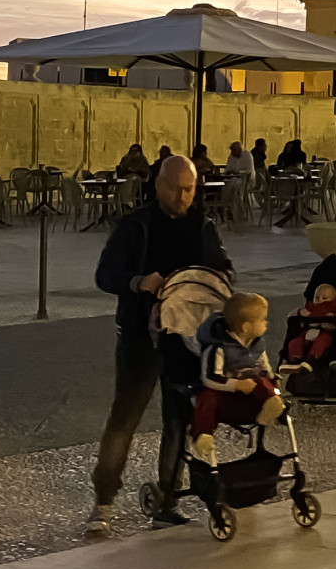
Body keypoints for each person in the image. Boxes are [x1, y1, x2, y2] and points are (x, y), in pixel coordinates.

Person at [87, 154, 232, 539]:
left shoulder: (202, 226)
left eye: (191, 188)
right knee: (125, 417)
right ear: (159, 185)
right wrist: (138, 282)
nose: (186, 196)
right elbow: (105, 275)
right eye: (178, 188)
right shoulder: (136, 226)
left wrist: (210, 281)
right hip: (139, 335)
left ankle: (167, 501)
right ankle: (103, 502)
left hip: (185, 338)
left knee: (177, 419)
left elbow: (224, 268)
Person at [190, 292, 285, 465]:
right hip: (224, 391)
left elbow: (264, 366)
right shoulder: (219, 347)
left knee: (261, 379)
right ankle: (203, 434)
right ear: (246, 327)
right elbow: (210, 377)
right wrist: (236, 384)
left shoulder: (257, 344)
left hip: (248, 392)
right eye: (263, 320)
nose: (266, 323)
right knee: (205, 398)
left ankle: (271, 406)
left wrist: (271, 378)